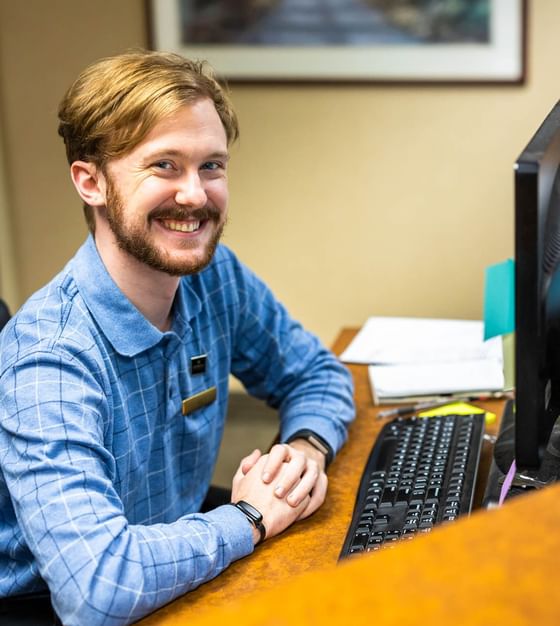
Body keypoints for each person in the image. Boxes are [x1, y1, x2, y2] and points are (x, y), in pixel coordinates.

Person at [0, 50, 354, 625]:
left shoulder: (213, 277)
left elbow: (317, 372)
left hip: (178, 545)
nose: (195, 195)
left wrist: (303, 454)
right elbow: (97, 590)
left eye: (211, 166)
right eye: (164, 165)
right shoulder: (50, 358)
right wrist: (250, 517)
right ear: (91, 182)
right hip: (53, 605)